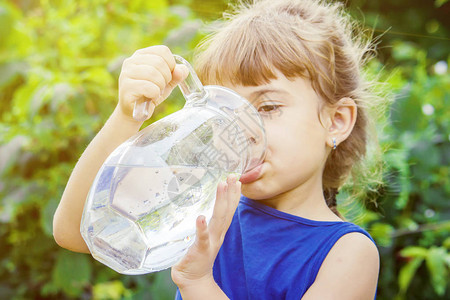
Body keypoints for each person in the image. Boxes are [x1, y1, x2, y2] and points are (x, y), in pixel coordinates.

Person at [53, 0, 383, 299]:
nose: (243, 131)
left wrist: (198, 283)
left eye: (267, 108)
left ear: (337, 121)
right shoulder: (206, 207)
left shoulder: (347, 254)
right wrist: (127, 117)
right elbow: (75, 231)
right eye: (227, 112)